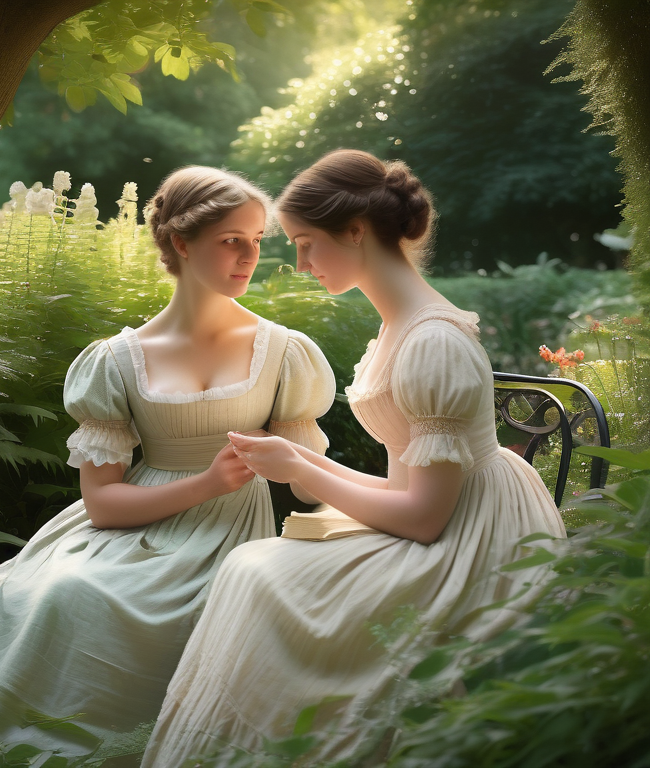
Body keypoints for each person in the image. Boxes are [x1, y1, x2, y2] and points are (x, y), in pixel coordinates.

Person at [142, 150, 567, 766]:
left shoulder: (433, 343)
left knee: (261, 575)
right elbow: (406, 488)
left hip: (474, 543)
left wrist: (303, 470)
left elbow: (422, 518)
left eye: (306, 244)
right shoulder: (402, 329)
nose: (300, 263)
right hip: (443, 520)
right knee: (252, 569)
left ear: (357, 231)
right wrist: (293, 456)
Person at [0, 166, 335, 758]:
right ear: (182, 243)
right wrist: (209, 479)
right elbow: (104, 504)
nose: (249, 256)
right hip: (138, 521)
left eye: (258, 239)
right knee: (66, 591)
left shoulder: (285, 352)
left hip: (230, 532)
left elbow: (314, 480)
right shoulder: (116, 360)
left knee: (215, 606)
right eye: (231, 240)